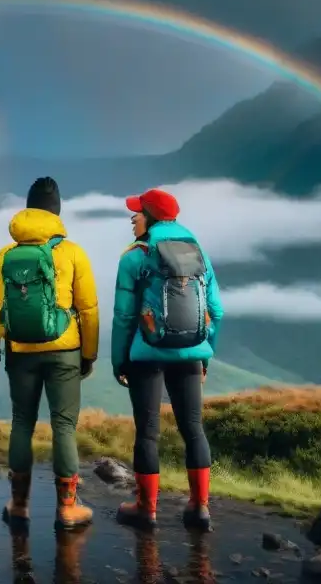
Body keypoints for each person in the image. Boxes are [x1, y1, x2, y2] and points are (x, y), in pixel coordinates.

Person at [111, 188, 224, 532]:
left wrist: (119, 361)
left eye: (138, 212)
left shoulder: (135, 256)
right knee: (193, 429)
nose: (133, 218)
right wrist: (205, 355)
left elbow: (124, 317)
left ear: (152, 217)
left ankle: (146, 509)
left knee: (148, 433)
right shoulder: (199, 252)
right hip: (191, 353)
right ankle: (200, 507)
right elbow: (216, 311)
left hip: (146, 356)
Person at [0, 177, 99, 530]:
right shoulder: (73, 252)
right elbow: (88, 309)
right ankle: (67, 507)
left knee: (22, 422)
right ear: (57, 212)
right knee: (63, 426)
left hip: (20, 351)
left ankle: (19, 504)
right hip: (65, 351)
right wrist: (89, 354)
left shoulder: (5, 255)